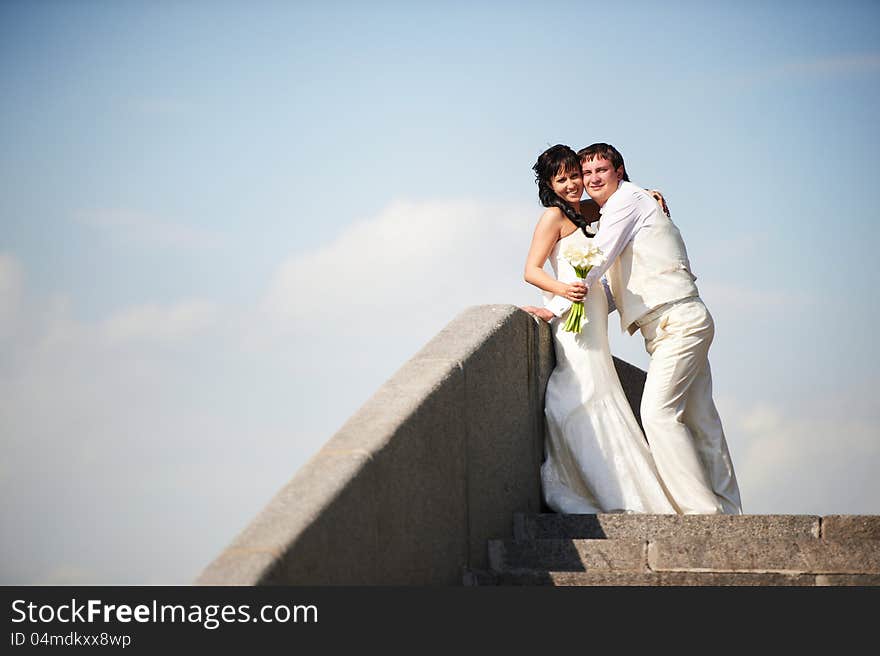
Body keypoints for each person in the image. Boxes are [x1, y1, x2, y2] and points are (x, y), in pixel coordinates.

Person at [569, 142, 742, 515]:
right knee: (702, 422)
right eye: (587, 174)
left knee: (658, 414)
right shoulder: (628, 204)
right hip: (670, 324)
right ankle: (729, 515)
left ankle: (702, 515)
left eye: (601, 170)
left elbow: (596, 260)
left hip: (678, 320)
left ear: (619, 171)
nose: (593, 178)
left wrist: (560, 297)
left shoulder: (626, 202)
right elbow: (613, 288)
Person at [522, 144, 678, 514]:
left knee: (603, 392)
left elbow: (622, 198)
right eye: (562, 179)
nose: (574, 184)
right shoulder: (552, 217)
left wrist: (649, 192)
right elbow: (531, 270)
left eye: (575, 175)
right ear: (549, 184)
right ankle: (597, 489)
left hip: (595, 319)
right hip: (573, 317)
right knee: (582, 392)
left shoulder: (585, 213)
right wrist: (562, 291)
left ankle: (627, 489)